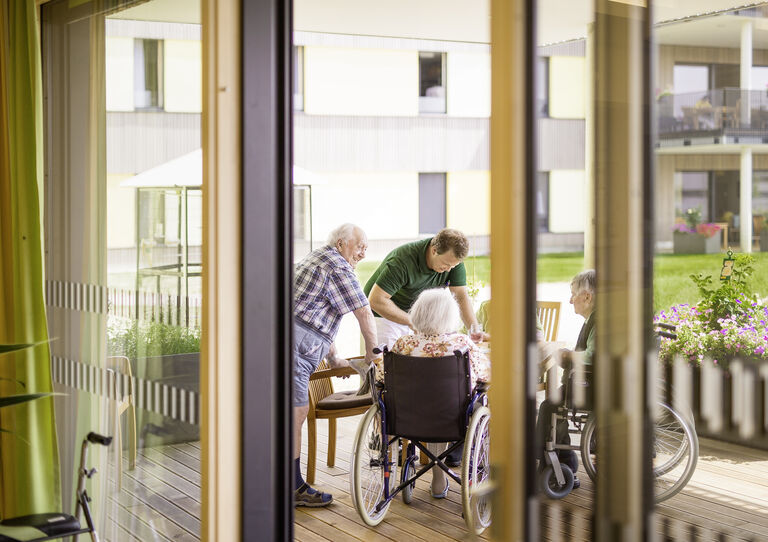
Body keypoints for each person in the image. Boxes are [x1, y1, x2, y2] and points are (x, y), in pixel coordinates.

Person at [292, 224, 379, 507]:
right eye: (360, 246)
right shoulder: (338, 267)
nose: (364, 254)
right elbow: (364, 312)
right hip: (295, 345)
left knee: (289, 411)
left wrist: (333, 357)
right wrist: (372, 354)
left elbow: (313, 310)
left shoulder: (317, 258)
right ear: (342, 243)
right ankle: (293, 488)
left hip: (290, 339)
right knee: (296, 411)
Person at [373, 288, 489, 499]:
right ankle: (439, 478)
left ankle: (436, 477)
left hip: (406, 420)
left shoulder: (402, 344)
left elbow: (382, 378)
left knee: (430, 408)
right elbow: (484, 376)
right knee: (469, 404)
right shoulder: (462, 344)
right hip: (451, 419)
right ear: (450, 316)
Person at [364, 228, 489, 349]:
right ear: (434, 250)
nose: (449, 269)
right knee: (387, 362)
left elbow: (460, 297)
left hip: (414, 315)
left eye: (453, 265)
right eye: (446, 264)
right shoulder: (402, 261)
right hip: (382, 314)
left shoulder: (452, 261)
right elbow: (376, 300)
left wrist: (474, 331)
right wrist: (412, 322)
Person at [535, 269, 596, 490]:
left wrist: (567, 355)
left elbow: (592, 356)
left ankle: (549, 463)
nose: (570, 301)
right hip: (590, 381)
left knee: (549, 406)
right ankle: (565, 461)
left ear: (587, 296)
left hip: (590, 386)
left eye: (573, 295)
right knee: (553, 406)